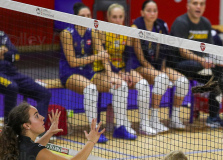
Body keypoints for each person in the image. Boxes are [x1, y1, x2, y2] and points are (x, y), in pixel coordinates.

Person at [93, 3, 155, 139]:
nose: (117, 20)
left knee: (143, 85)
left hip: (121, 68)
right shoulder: (101, 31)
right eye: (114, 17)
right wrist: (118, 73)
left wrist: (126, 72)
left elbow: (128, 55)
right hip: (103, 69)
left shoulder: (127, 31)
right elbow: (105, 59)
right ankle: (122, 125)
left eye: (120, 17)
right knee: (122, 86)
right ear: (108, 17)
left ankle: (144, 124)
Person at [131, 0, 190, 131]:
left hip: (158, 66)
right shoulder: (135, 28)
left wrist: (162, 69)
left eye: (155, 11)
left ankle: (174, 118)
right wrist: (158, 73)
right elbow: (140, 57)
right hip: (139, 66)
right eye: (149, 10)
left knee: (183, 82)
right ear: (142, 12)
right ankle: (154, 119)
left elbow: (164, 51)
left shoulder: (161, 26)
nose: (152, 14)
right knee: (162, 79)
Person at [170, 0, 223, 128]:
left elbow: (210, 47)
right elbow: (182, 50)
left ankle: (213, 117)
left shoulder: (205, 23)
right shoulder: (181, 23)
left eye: (202, 4)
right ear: (188, 5)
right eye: (195, 3)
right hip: (180, 64)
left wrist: (219, 57)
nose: (198, 6)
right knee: (209, 69)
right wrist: (202, 60)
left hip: (202, 66)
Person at [59, 2, 110, 143]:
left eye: (89, 15)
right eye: (83, 16)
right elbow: (73, 62)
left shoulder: (92, 31)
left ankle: (122, 126)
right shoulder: (66, 34)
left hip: (88, 73)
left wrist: (111, 76)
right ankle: (93, 131)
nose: (87, 18)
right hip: (69, 73)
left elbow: (103, 54)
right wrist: (97, 57)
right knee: (91, 89)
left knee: (120, 86)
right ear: (75, 17)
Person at [0, 31, 51, 121]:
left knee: (44, 93)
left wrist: (5, 54)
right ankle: (9, 127)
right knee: (12, 87)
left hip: (12, 72)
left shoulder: (2, 35)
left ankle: (37, 127)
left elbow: (16, 56)